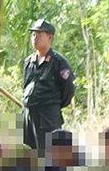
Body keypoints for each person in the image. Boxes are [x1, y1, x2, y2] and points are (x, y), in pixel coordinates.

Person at [21, 20, 74, 151]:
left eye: (39, 35)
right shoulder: (29, 62)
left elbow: (68, 90)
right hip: (29, 114)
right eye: (33, 34)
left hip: (47, 116)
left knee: (48, 152)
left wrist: (52, 105)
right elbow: (25, 86)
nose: (35, 38)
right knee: (28, 151)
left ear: (50, 37)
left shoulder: (59, 62)